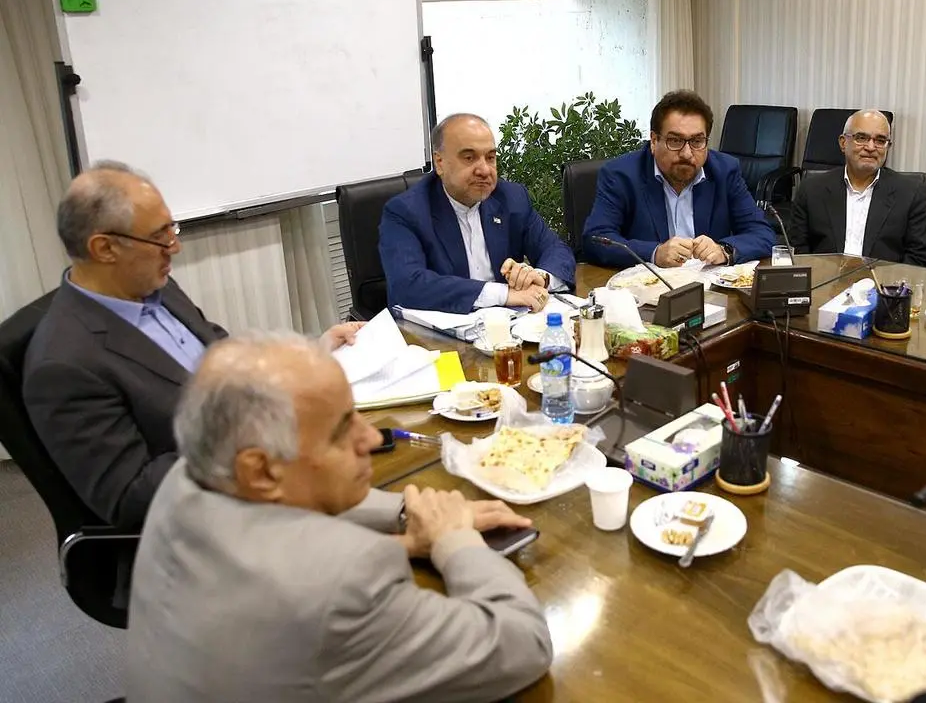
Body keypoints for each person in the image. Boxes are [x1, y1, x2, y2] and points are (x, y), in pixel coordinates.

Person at [127, 332, 552, 702]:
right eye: (342, 429)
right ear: (261, 470)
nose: (371, 438)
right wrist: (455, 540)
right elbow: (523, 645)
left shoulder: (186, 478)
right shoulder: (347, 580)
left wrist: (410, 514)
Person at [22, 162, 364, 530]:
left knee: (382, 488)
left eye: (172, 228)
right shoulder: (63, 365)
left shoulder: (154, 287)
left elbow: (224, 354)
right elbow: (131, 497)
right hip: (212, 520)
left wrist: (310, 353)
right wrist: (255, 446)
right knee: (372, 530)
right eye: (160, 236)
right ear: (105, 248)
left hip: (267, 469)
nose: (175, 246)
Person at [379, 113, 576, 314]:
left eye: (490, 158)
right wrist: (503, 294)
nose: (484, 170)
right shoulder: (406, 212)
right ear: (439, 163)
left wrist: (541, 277)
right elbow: (408, 285)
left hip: (511, 324)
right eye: (469, 158)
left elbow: (555, 249)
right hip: (445, 327)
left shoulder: (511, 197)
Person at [582, 90, 776, 268]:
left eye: (697, 141)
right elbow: (595, 240)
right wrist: (654, 253)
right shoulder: (621, 175)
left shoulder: (725, 171)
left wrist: (724, 250)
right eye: (675, 141)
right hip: (647, 287)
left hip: (708, 288)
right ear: (654, 141)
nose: (687, 153)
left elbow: (762, 234)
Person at [787, 109, 926, 267]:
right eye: (861, 138)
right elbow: (797, 250)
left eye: (880, 140)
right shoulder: (812, 188)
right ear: (843, 143)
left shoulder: (911, 192)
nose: (871, 147)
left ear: (888, 147)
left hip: (885, 281)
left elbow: (921, 257)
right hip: (824, 280)